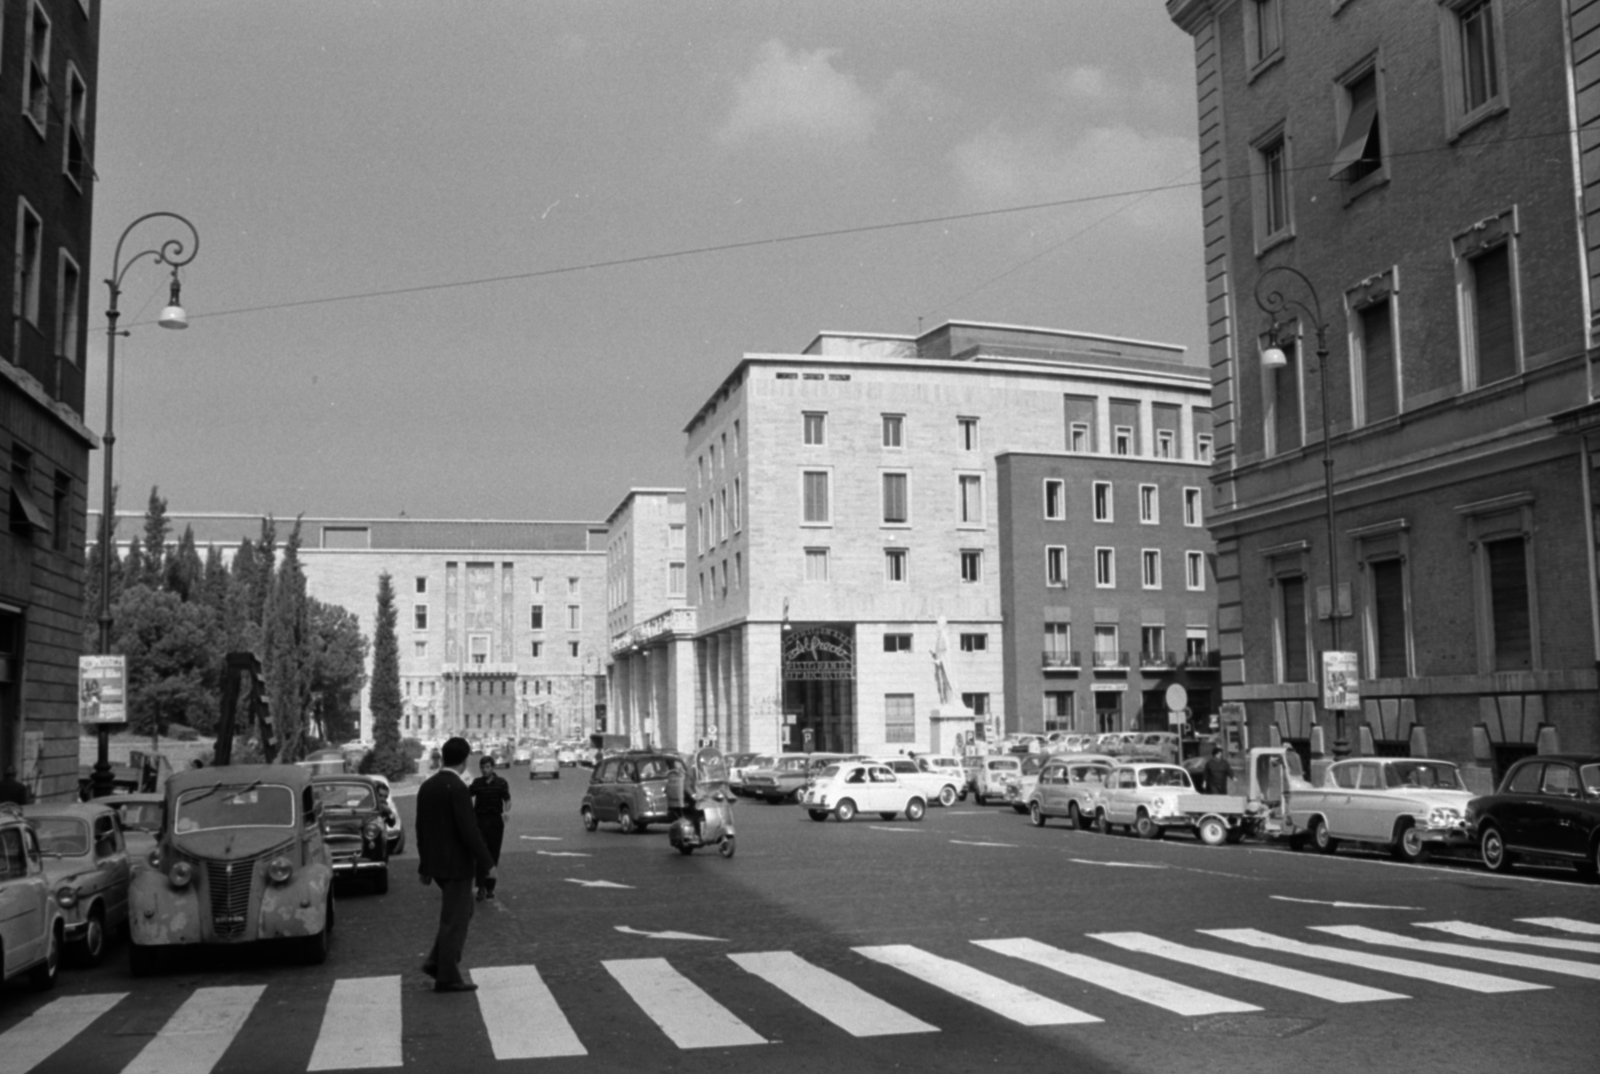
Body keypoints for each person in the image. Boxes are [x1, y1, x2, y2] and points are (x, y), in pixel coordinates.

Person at [415, 736, 495, 993]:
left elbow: (420, 829)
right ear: (465, 759)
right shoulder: (458, 788)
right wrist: (487, 863)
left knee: (463, 911)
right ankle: (447, 975)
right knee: (455, 920)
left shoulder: (427, 786)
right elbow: (469, 830)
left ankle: (437, 961)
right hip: (458, 864)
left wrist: (424, 864)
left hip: (437, 864)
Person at [468, 756, 511, 901]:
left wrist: (506, 811)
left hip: (495, 822)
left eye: (487, 767)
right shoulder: (477, 783)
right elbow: (467, 795)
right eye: (482, 767)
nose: (484, 770)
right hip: (480, 821)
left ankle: (490, 887)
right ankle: (480, 887)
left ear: (492, 767)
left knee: (493, 855)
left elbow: (507, 799)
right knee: (481, 854)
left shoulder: (501, 783)